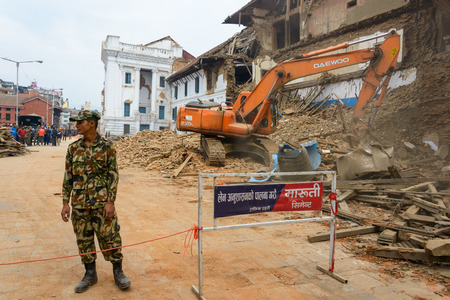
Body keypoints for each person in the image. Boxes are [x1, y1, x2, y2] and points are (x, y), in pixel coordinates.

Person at [60, 110, 130, 293]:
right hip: (80, 205)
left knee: (111, 238)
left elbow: (113, 175)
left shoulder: (107, 147)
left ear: (91, 123)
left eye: (80, 122)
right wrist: (65, 202)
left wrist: (110, 202)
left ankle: (118, 272)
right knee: (84, 240)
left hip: (101, 204)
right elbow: (68, 177)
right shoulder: (73, 149)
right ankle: (90, 274)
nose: (76, 125)